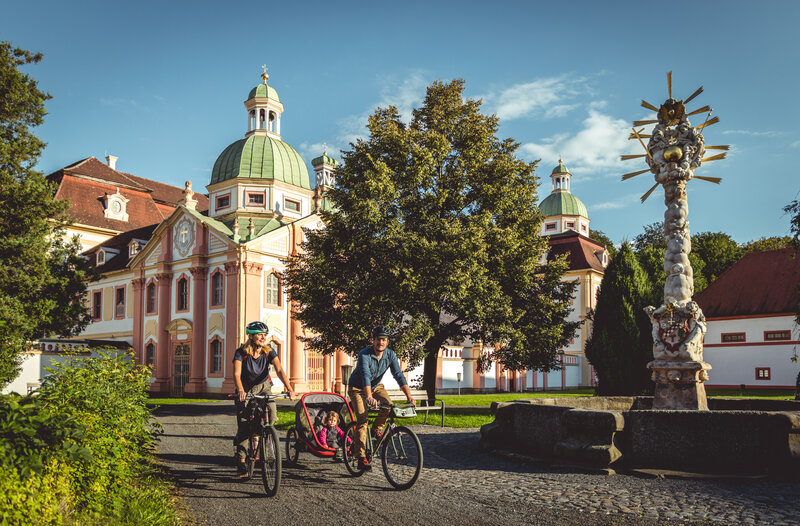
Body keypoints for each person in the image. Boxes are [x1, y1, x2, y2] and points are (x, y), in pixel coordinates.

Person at [233, 320, 296, 478]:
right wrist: (241, 390)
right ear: (251, 336)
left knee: (272, 413)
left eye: (264, 335)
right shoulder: (241, 352)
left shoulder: (268, 351)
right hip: (246, 389)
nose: (263, 337)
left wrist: (289, 388)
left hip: (264, 387)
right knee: (244, 426)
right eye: (259, 335)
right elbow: (236, 374)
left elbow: (279, 369)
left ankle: (266, 435)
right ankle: (241, 459)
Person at [347, 326, 415, 471]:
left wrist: (409, 396)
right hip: (357, 388)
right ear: (373, 340)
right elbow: (365, 374)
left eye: (383, 340)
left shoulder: (390, 354)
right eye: (378, 339)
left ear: (387, 342)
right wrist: (369, 396)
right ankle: (361, 457)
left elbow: (398, 375)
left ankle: (376, 429)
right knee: (362, 418)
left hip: (376, 386)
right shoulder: (364, 354)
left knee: (389, 406)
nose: (380, 343)